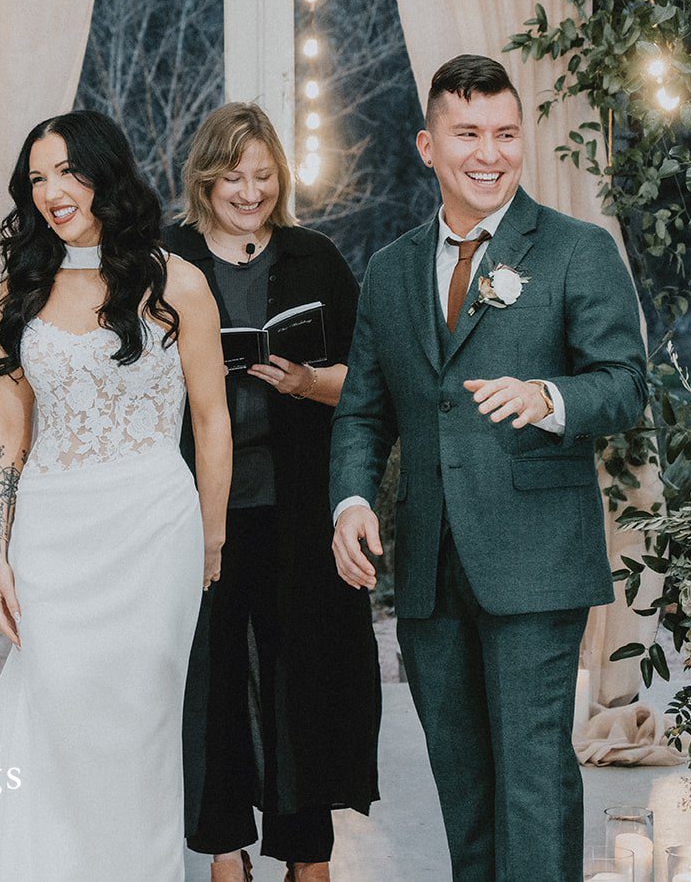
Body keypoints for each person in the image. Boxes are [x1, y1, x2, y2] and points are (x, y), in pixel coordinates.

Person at [328, 56, 648, 882]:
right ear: (428, 145)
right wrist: (352, 499)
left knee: (534, 783)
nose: (490, 152)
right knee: (465, 792)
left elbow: (624, 386)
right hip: (430, 569)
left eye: (506, 133)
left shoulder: (578, 250)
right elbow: (365, 408)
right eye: (469, 134)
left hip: (536, 562)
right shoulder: (392, 269)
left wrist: (548, 396)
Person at [0, 110, 231, 881]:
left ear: (104, 172)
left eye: (66, 170)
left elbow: (212, 419)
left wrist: (213, 537)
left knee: (139, 726)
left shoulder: (178, 282)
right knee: (55, 715)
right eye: (36, 178)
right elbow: (5, 432)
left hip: (154, 532)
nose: (52, 190)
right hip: (53, 537)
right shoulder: (22, 291)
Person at [165, 103, 381, 882]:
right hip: (196, 509)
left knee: (304, 682)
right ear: (204, 179)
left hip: (298, 508)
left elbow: (372, 380)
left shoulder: (314, 258)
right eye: (234, 176)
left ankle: (306, 852)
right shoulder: (167, 259)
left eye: (263, 175)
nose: (250, 191)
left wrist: (310, 379)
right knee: (212, 680)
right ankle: (226, 849)